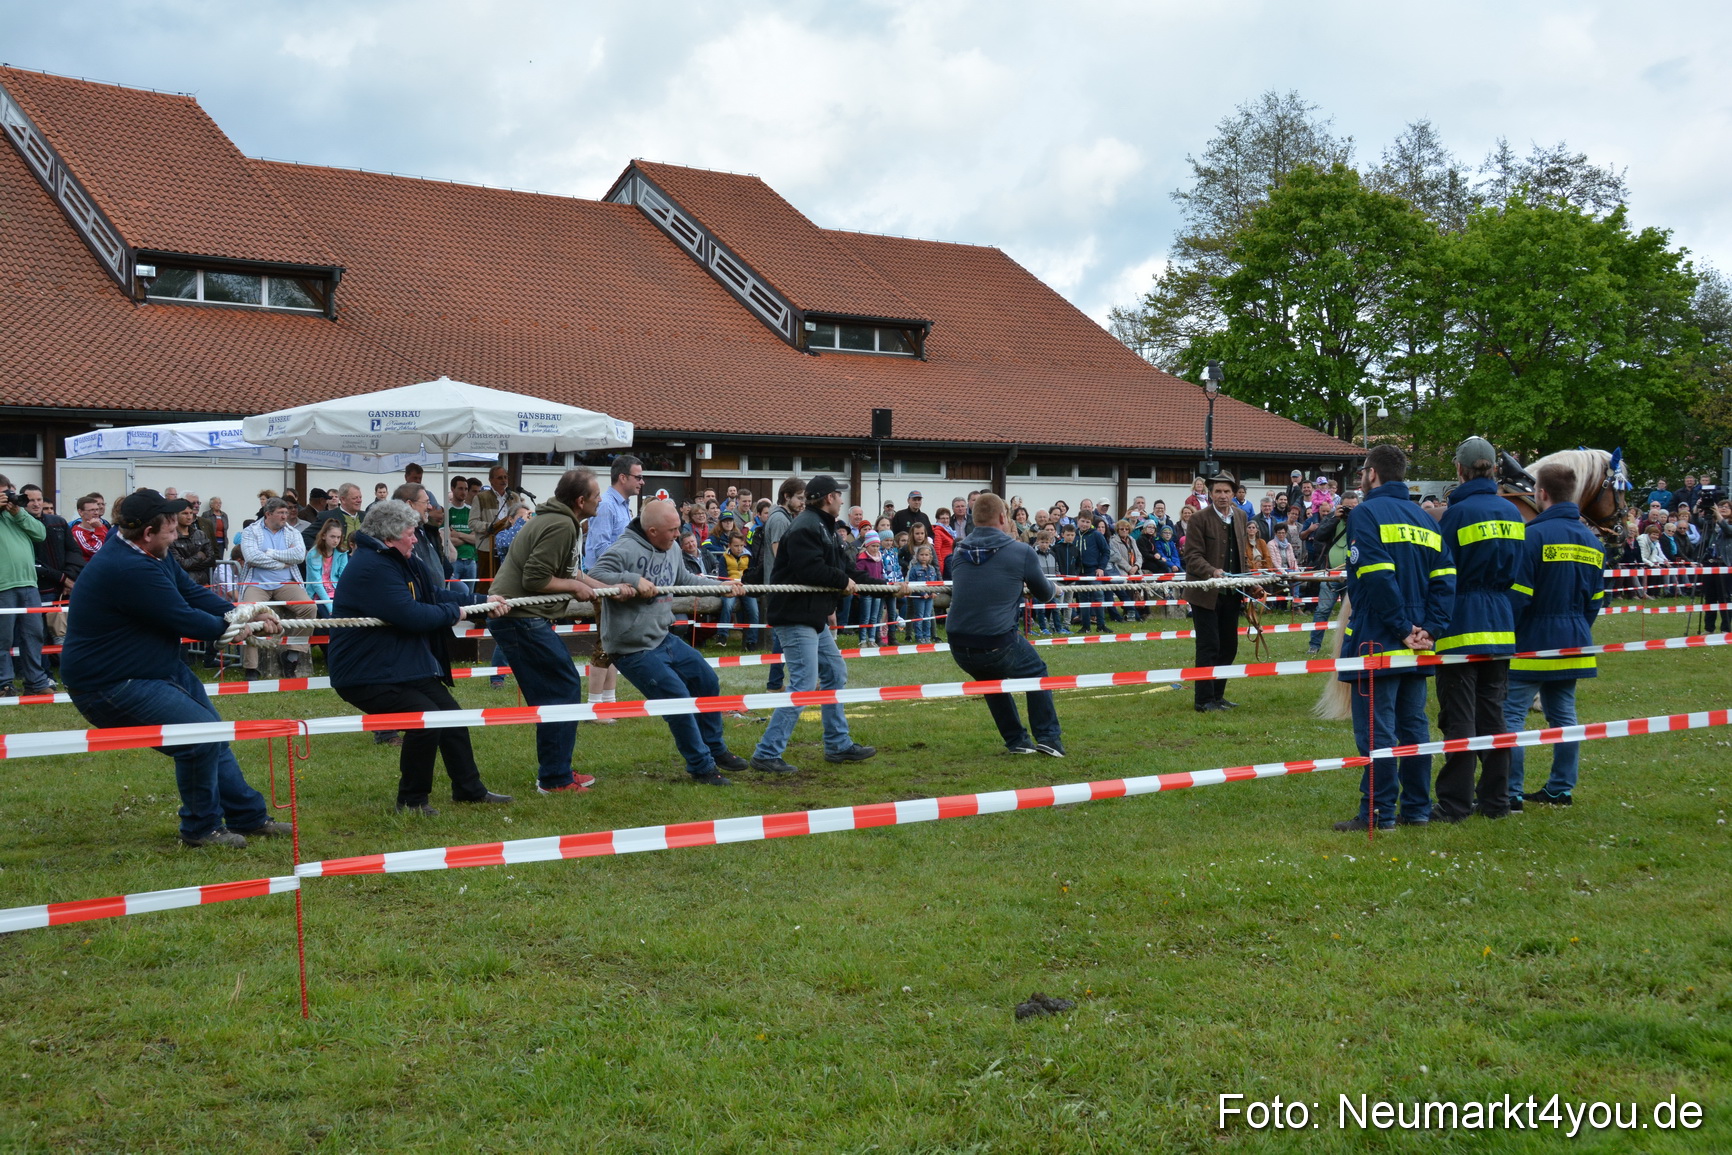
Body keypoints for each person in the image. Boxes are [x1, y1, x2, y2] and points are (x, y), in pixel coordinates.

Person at [62, 490, 292, 847]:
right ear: (148, 534)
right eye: (169, 529)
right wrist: (234, 627)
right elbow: (183, 617)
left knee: (212, 734)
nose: (177, 533)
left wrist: (246, 612)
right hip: (111, 683)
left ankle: (248, 817)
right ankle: (201, 830)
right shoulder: (128, 568)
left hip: (156, 668)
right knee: (199, 738)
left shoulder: (153, 553)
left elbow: (190, 593)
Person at [329, 500, 514, 814]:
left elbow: (433, 595)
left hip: (399, 666)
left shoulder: (399, 559)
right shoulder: (371, 567)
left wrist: (481, 600)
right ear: (390, 536)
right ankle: (412, 802)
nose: (415, 539)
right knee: (426, 722)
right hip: (365, 673)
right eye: (411, 533)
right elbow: (410, 614)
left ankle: (469, 790)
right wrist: (455, 612)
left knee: (450, 717)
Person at [1331, 445, 1454, 831]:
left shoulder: (1365, 513)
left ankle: (1379, 812)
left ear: (1372, 474)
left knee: (1377, 729)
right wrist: (1430, 630)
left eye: (1362, 472)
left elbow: (1377, 578)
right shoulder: (1426, 520)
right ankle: (1417, 809)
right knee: (1414, 727)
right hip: (1418, 640)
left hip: (1379, 638)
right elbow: (1446, 581)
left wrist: (1403, 629)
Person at [588, 499, 750, 784]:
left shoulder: (672, 548)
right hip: (631, 648)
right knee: (677, 699)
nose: (678, 535)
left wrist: (719, 588)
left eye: (678, 529)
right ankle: (701, 767)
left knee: (706, 680)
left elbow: (685, 579)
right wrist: (630, 580)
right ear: (651, 531)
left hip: (663, 637)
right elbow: (594, 576)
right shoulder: (623, 549)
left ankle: (715, 748)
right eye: (672, 530)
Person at [488, 468, 611, 793]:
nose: (601, 499)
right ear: (581, 500)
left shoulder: (560, 520)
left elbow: (574, 573)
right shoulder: (559, 524)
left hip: (520, 615)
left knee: (553, 693)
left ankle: (557, 771)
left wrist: (612, 589)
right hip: (518, 616)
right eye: (597, 494)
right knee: (563, 687)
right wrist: (572, 585)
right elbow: (535, 579)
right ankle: (555, 779)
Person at [751, 475, 881, 774]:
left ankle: (838, 744)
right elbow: (810, 569)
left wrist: (884, 586)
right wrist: (842, 581)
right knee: (804, 684)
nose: (842, 500)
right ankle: (767, 752)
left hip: (812, 616)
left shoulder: (826, 528)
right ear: (827, 498)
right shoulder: (806, 527)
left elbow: (846, 569)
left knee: (834, 672)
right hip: (795, 616)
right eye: (839, 494)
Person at [1432, 437, 1525, 822]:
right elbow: (1518, 575)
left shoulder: (1456, 514)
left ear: (1459, 469)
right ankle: (1497, 801)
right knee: (1494, 716)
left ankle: (1455, 805)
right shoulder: (1513, 513)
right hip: (1501, 623)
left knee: (1460, 718)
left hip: (1461, 622)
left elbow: (1442, 573)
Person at [1504, 460, 1605, 808]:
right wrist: (1577, 629)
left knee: (1511, 716)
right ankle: (1561, 788)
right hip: (1575, 637)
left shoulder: (1532, 537)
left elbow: (1519, 596)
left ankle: (1511, 791)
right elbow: (1595, 601)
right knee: (1564, 717)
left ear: (1541, 493)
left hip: (1533, 639)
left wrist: (1510, 635)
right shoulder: (1593, 542)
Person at [946, 493, 1064, 756]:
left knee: (991, 682)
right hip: (996, 641)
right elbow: (1044, 594)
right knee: (1036, 672)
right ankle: (1048, 738)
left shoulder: (959, 551)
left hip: (958, 644)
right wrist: (1055, 588)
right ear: (1003, 517)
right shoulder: (1021, 551)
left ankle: (1017, 741)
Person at [1181, 470, 1256, 713]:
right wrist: (1212, 571)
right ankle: (1203, 700)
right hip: (1205, 594)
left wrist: (1249, 582)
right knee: (1209, 646)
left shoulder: (1242, 516)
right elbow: (1192, 557)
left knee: (1229, 647)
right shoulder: (1199, 519)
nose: (1222, 496)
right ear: (1210, 494)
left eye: (1227, 491)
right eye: (1218, 491)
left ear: (1235, 493)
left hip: (1232, 594)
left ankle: (1218, 695)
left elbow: (1242, 556)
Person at [583, 455, 643, 715]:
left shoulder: (623, 505)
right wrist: (617, 580)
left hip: (618, 583)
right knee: (604, 643)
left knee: (614, 643)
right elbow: (598, 548)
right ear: (623, 478)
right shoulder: (607, 504)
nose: (642, 481)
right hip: (605, 583)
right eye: (638, 476)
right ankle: (594, 706)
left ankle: (609, 702)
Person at [237, 499, 315, 681]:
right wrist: (282, 563)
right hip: (256, 584)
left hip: (286, 583)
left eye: (286, 513)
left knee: (310, 608)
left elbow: (298, 556)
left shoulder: (292, 532)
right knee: (247, 613)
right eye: (281, 513)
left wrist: (270, 553)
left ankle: (293, 655)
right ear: (268, 514)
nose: (285, 517)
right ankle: (251, 667)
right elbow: (251, 557)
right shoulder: (250, 532)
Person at [0, 476, 51, 695]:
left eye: (9, 492)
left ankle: (36, 682)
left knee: (34, 634)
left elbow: (41, 534)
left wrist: (17, 512)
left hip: (29, 582)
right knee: (3, 638)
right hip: (3, 584)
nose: (8, 497)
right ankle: (4, 683)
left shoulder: (17, 514)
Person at [304, 517, 350, 615]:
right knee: (331, 621)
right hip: (319, 595)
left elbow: (344, 578)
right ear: (324, 536)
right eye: (332, 536)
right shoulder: (313, 554)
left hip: (337, 593)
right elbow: (316, 584)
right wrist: (330, 607)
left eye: (338, 537)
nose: (336, 540)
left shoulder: (342, 553)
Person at [446, 475, 479, 592]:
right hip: (454, 561)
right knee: (454, 595)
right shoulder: (446, 511)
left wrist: (459, 534)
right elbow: (447, 540)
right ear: (452, 488)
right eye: (460, 488)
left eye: (466, 489)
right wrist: (468, 537)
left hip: (471, 560)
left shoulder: (471, 511)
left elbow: (477, 539)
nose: (464, 492)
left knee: (470, 598)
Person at [1704, 499, 1732, 633]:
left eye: (1727, 507)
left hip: (1725, 564)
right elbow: (1699, 522)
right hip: (1711, 564)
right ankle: (1709, 628)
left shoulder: (1727, 525)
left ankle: (1725, 628)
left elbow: (1728, 531)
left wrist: (1719, 516)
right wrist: (1699, 507)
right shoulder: (1713, 524)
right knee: (1709, 597)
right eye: (1721, 507)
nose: (1723, 509)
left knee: (1724, 597)